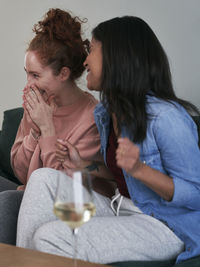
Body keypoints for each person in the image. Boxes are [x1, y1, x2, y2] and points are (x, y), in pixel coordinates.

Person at [17, 16, 200, 264]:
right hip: (119, 207)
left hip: (164, 225)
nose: (85, 60)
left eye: (92, 50)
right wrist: (83, 165)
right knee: (43, 179)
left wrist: (139, 170)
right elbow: (120, 175)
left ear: (117, 59)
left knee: (50, 237)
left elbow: (195, 193)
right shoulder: (106, 113)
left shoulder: (167, 117)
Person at [0, 8, 102, 244]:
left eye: (35, 76)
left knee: (5, 202)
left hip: (68, 204)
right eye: (26, 74)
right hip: (29, 191)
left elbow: (59, 189)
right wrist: (34, 133)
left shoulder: (92, 116)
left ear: (63, 74)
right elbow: (18, 170)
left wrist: (47, 129)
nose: (28, 85)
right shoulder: (37, 105)